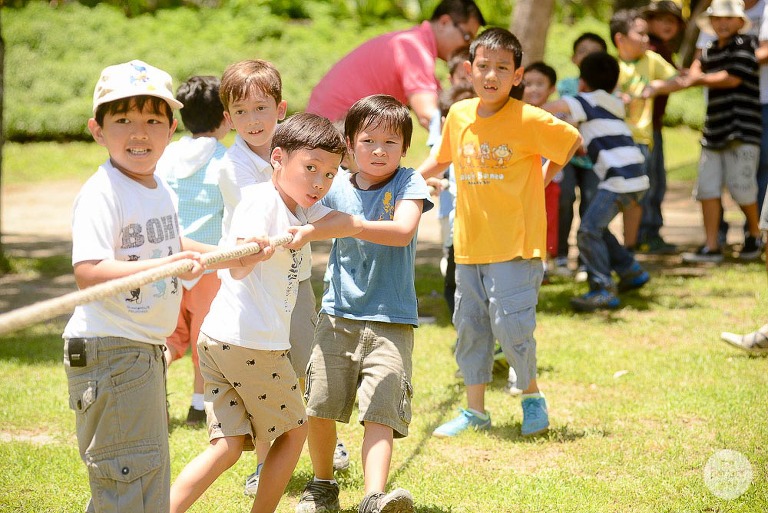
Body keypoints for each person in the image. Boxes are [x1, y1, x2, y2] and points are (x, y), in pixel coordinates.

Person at [169, 113, 363, 513]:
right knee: (294, 432)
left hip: (220, 339)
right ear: (278, 158)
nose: (319, 182)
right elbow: (237, 266)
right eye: (310, 168)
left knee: (228, 446)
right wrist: (252, 250)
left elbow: (346, 222)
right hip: (250, 344)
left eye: (329, 174)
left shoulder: (302, 206)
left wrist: (310, 231)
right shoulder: (261, 202)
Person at [417, 28, 582, 438]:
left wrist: (542, 178)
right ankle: (476, 411)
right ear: (469, 70)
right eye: (484, 66)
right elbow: (439, 161)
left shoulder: (527, 117)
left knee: (512, 328)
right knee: (470, 326)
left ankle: (531, 397)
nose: (491, 76)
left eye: (502, 68)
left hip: (516, 246)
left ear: (518, 75)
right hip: (468, 245)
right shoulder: (458, 115)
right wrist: (395, 182)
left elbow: (571, 139)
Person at [62, 59, 209, 513]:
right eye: (123, 120)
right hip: (111, 351)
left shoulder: (158, 187)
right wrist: (167, 265)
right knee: (129, 481)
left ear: (171, 129)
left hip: (141, 349)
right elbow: (88, 270)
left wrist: (227, 252)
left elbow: (168, 244)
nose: (139, 133)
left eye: (152, 121)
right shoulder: (102, 192)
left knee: (140, 478)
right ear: (98, 130)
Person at [213, 59, 350, 495]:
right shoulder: (232, 168)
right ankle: (264, 464)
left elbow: (333, 195)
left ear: (281, 108)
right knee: (264, 377)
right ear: (228, 117)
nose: (253, 120)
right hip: (253, 285)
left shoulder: (306, 150)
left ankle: (322, 456)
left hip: (295, 280)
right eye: (241, 112)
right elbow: (268, 226)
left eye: (261, 108)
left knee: (306, 368)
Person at [295, 95, 433, 513]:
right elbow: (300, 206)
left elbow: (403, 231)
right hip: (336, 316)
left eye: (390, 142)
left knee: (382, 409)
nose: (378, 150)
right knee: (319, 402)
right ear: (350, 144)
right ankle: (322, 485)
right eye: (368, 140)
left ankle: (375, 497)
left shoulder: (409, 183)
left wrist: (351, 225)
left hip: (392, 320)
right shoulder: (335, 185)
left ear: (405, 148)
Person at [542, 51, 651, 312]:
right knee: (597, 228)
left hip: (618, 180)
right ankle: (630, 270)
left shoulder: (585, 99)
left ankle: (602, 288)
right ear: (614, 83)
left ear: (582, 82)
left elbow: (549, 110)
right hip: (636, 175)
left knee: (588, 231)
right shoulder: (612, 102)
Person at [156, 75, 229, 426]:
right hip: (208, 262)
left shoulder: (166, 155)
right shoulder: (225, 161)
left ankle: (149, 390)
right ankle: (199, 405)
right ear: (225, 116)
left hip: (167, 262)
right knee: (205, 335)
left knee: (170, 336)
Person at [306, 0, 485, 129]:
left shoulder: (413, 42)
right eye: (467, 36)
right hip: (332, 132)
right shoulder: (413, 47)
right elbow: (428, 115)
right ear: (444, 22)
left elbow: (440, 102)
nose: (467, 47)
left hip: (334, 127)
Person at [680, 0, 763, 263]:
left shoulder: (747, 45)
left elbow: (731, 78)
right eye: (717, 19)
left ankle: (755, 234)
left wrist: (696, 78)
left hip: (742, 128)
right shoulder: (709, 49)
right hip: (714, 129)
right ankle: (711, 246)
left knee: (742, 188)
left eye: (728, 18)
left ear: (740, 21)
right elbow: (693, 70)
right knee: (707, 189)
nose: (722, 23)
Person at [611, 8, 679, 251]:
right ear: (620, 39)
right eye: (640, 34)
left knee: (650, 187)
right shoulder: (611, 66)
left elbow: (677, 80)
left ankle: (646, 236)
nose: (646, 39)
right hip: (618, 140)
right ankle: (630, 240)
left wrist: (656, 87)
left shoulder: (651, 60)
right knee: (626, 192)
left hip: (644, 137)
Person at [635, 1, 687, 255]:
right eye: (661, 19)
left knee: (657, 180)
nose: (667, 25)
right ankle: (647, 232)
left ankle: (650, 231)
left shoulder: (662, 49)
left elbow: (677, 77)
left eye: (672, 20)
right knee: (651, 181)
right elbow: (675, 80)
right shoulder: (650, 50)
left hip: (653, 125)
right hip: (644, 128)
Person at [555, 32, 607, 279]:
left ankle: (587, 261)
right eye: (584, 50)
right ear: (574, 58)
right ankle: (561, 254)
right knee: (563, 200)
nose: (589, 56)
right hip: (566, 156)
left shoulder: (609, 91)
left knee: (590, 204)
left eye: (595, 51)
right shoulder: (566, 85)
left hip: (594, 159)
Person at [522, 61, 560, 283]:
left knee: (548, 221)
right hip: (523, 181)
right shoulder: (516, 115)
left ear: (552, 88)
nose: (534, 88)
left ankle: (545, 263)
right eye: (529, 83)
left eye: (540, 84)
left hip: (551, 180)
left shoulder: (557, 115)